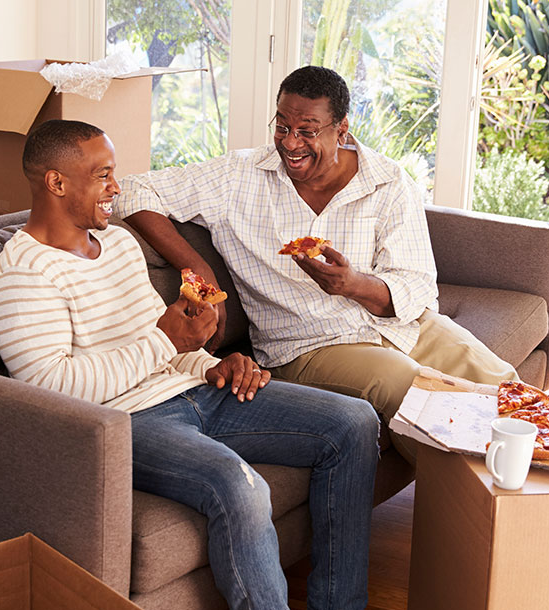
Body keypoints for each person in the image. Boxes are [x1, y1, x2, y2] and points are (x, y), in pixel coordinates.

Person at [0, 119, 418, 610]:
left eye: (114, 173)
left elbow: (168, 345)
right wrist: (166, 340)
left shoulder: (117, 243)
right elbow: (53, 390)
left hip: (195, 391)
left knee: (352, 423)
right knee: (242, 487)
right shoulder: (20, 273)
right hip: (126, 424)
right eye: (102, 176)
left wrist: (213, 363)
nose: (116, 188)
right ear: (56, 183)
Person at [110, 65, 519, 466]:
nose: (290, 143)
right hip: (309, 346)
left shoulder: (388, 182)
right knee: (409, 389)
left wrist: (353, 284)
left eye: (307, 131)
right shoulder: (238, 177)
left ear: (341, 129)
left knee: (504, 385)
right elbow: (132, 191)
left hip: (400, 326)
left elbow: (417, 286)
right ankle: (474, 512)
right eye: (282, 127)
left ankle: (539, 497)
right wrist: (201, 272)